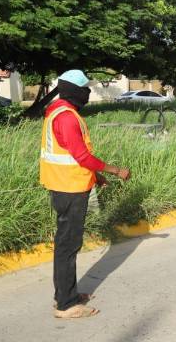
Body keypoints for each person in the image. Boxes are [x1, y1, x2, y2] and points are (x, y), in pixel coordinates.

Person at [39, 70, 131, 319]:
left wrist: (96, 176)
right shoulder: (67, 117)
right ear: (74, 91)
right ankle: (66, 305)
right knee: (68, 246)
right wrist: (115, 170)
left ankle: (65, 294)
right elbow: (82, 156)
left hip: (65, 184)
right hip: (69, 188)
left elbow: (71, 155)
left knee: (66, 244)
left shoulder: (57, 111)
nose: (88, 93)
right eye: (85, 89)